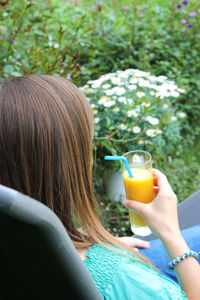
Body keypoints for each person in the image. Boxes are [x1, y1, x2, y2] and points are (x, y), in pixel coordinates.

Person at [0, 75, 199, 300]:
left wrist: (90, 245)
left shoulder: (15, 248)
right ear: (67, 167)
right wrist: (170, 232)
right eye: (88, 145)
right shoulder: (120, 277)